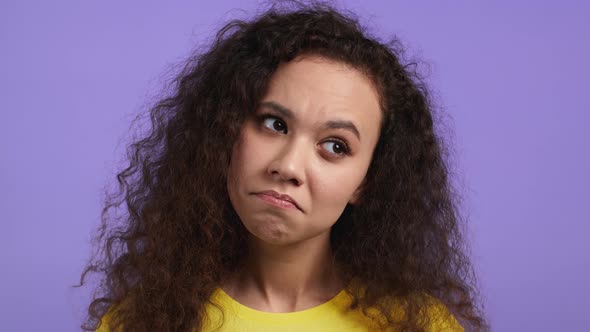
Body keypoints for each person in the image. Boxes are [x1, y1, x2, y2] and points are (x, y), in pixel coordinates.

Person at [80, 1, 488, 331]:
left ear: (368, 181)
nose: (289, 166)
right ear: (225, 131)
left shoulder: (419, 326)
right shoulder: (140, 322)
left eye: (335, 146)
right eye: (274, 124)